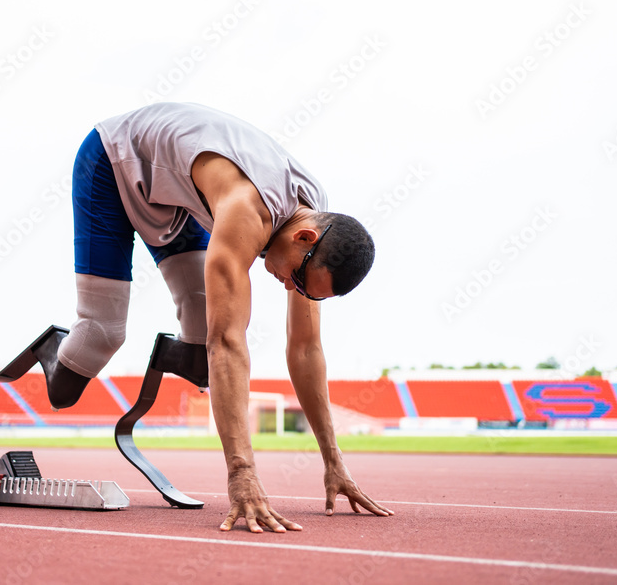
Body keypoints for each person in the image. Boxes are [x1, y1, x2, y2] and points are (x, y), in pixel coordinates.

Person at [46, 102, 394, 533]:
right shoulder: (246, 213)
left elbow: (305, 348)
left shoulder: (316, 218)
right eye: (298, 281)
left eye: (304, 291)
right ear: (305, 237)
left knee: (200, 347)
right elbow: (228, 342)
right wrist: (241, 475)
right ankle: (53, 354)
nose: (291, 289)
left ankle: (164, 359)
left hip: (174, 192)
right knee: (101, 338)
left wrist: (333, 461)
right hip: (115, 162)